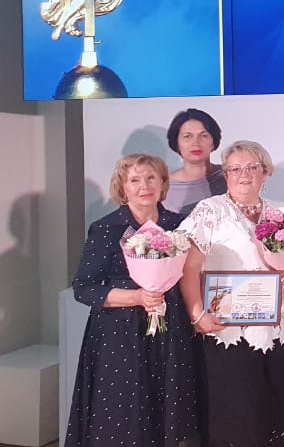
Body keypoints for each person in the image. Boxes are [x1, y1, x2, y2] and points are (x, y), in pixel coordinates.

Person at [66, 154, 197, 447]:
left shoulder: (179, 225)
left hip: (170, 330)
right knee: (124, 418)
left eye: (151, 178)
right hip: (120, 336)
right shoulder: (107, 228)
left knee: (168, 416)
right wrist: (137, 297)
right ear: (122, 188)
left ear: (163, 183)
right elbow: (84, 288)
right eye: (134, 180)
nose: (144, 186)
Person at [179, 140, 284, 447]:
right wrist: (197, 314)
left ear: (265, 172)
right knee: (237, 417)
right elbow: (188, 269)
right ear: (225, 175)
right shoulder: (210, 211)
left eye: (251, 167)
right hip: (227, 329)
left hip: (274, 328)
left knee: (276, 413)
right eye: (235, 169)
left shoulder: (280, 211)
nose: (243, 175)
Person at [165, 108, 227, 214]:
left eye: (204, 136)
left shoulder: (231, 176)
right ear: (177, 143)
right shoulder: (163, 186)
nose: (196, 143)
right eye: (187, 137)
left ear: (213, 142)